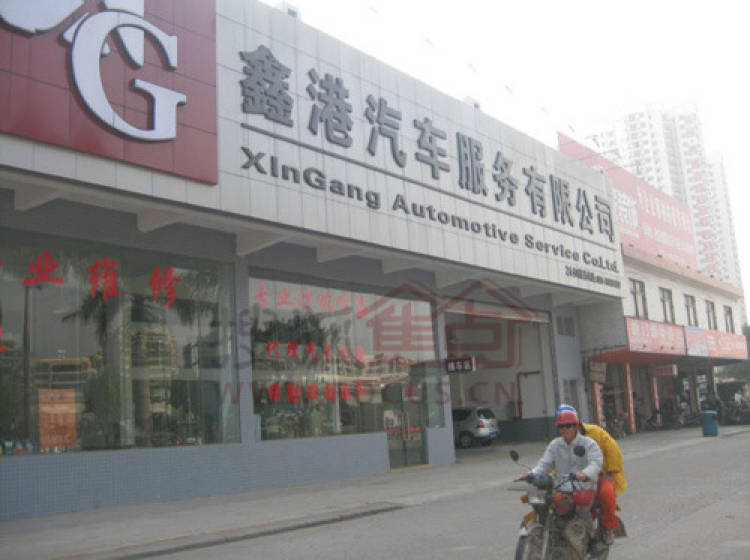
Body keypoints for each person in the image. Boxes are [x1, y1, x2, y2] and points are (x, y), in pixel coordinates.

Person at [556, 404, 627, 545]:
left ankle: (607, 528)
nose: (565, 428)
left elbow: (613, 452)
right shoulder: (562, 441)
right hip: (577, 479)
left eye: (569, 424)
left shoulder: (596, 432)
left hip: (602, 475)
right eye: (562, 425)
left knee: (606, 494)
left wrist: (610, 473)